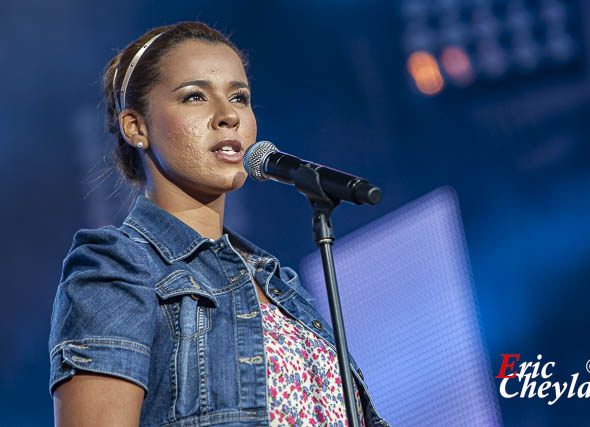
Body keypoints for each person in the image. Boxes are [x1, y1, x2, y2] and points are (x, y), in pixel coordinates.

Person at [48, 21, 388, 426]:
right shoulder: (117, 267)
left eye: (240, 97)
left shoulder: (281, 286)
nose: (228, 115)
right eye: (195, 96)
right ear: (136, 127)